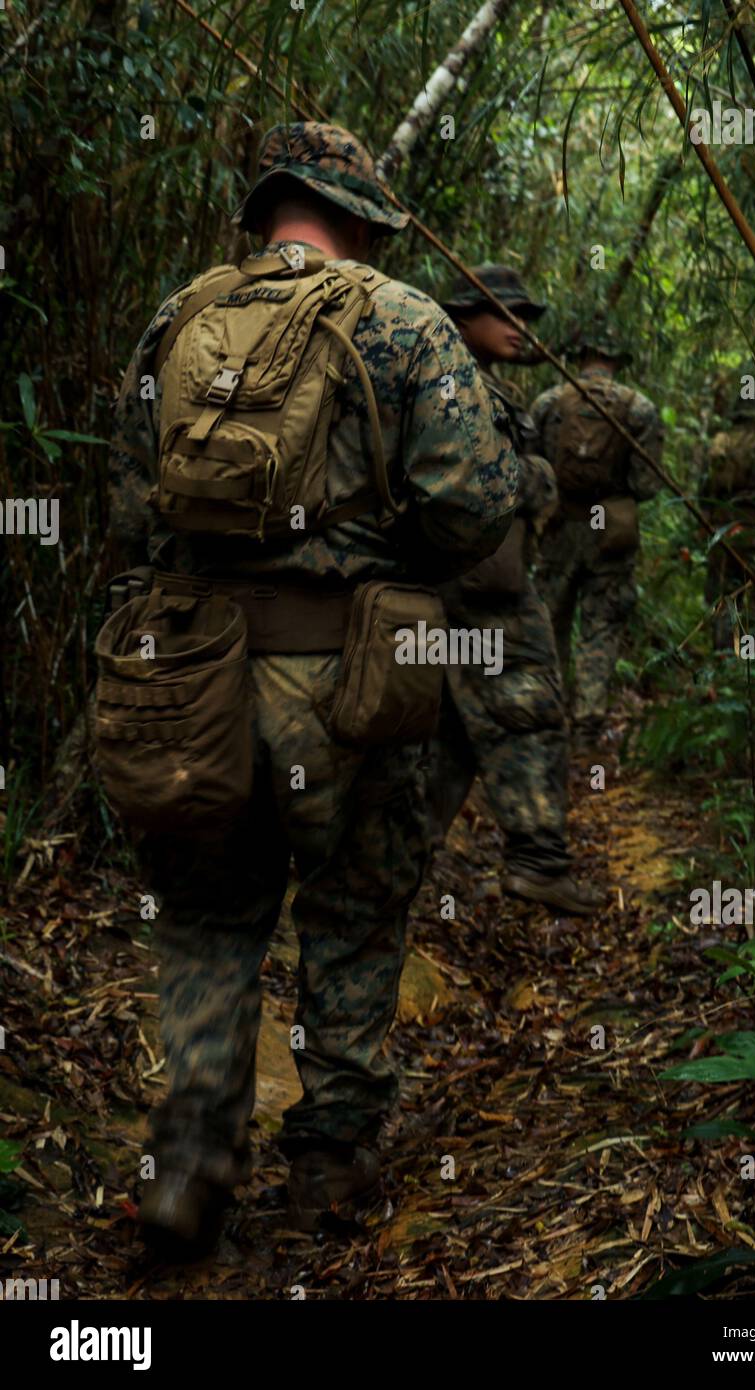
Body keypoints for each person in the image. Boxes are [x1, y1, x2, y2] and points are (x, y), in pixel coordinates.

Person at [107, 123, 518, 1252]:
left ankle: (188, 1163)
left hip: (190, 686)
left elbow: (131, 513)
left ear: (271, 206)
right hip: (350, 689)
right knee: (353, 912)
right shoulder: (401, 318)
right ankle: (328, 1166)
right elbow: (474, 509)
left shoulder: (176, 318)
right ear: (361, 213)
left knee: (205, 916)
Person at [425, 265, 601, 916]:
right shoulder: (449, 383)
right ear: (463, 317)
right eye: (504, 314)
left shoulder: (481, 387)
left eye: (525, 317)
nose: (519, 328)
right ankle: (537, 861)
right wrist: (538, 480)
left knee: (452, 736)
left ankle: (390, 877)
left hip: (478, 585)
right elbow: (470, 480)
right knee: (526, 709)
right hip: (477, 593)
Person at [531, 330, 664, 747]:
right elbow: (647, 485)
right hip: (609, 530)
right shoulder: (638, 408)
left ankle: (546, 716)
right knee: (601, 626)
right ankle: (588, 722)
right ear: (615, 362)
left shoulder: (548, 403)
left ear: (581, 357)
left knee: (550, 621)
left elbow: (530, 470)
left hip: (557, 528)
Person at [698, 373, 755, 648]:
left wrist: (706, 522)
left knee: (724, 595)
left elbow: (704, 489)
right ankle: (746, 658)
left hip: (722, 531)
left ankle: (722, 654)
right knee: (754, 597)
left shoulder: (720, 444)